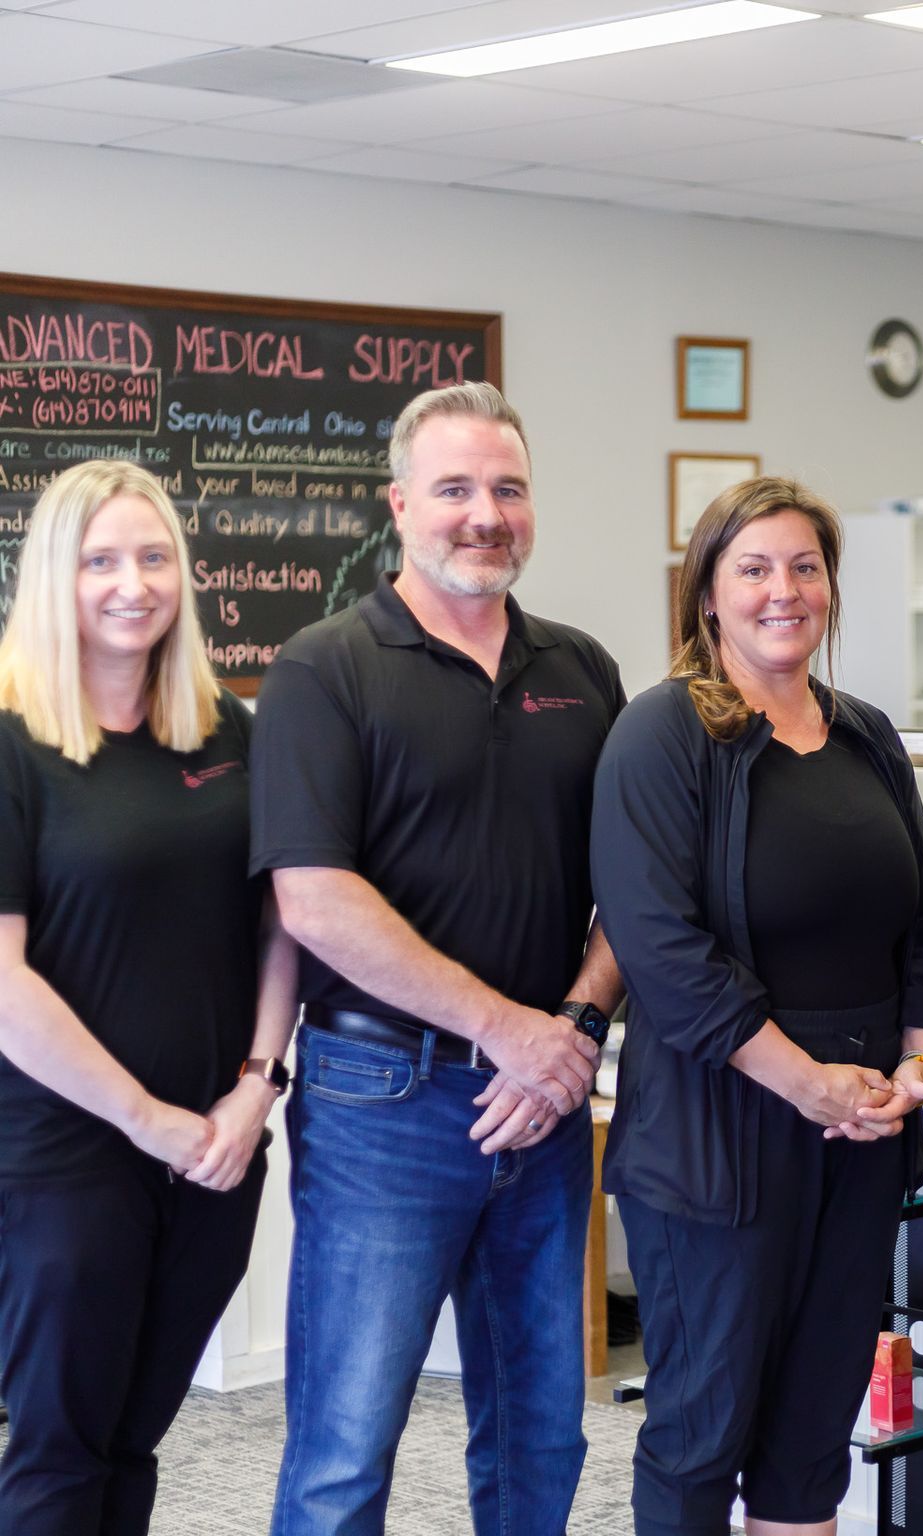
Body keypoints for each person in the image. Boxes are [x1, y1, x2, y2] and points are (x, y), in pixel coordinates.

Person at [251, 382, 625, 1536]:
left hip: (546, 1101)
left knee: (541, 1434)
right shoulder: (325, 668)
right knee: (346, 1447)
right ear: (401, 504)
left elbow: (638, 889)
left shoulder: (582, 671)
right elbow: (314, 899)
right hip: (383, 1100)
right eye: (455, 488)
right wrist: (510, 1032)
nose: (486, 514)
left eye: (509, 489)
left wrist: (573, 1029)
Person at [591, 476, 923, 1536]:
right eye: (753, 569)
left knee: (811, 1443)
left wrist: (920, 1067)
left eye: (805, 567)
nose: (783, 591)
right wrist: (808, 1085)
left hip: (862, 1135)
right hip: (720, 1135)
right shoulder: (661, 735)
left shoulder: (867, 736)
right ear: (707, 593)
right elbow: (661, 951)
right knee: (702, 1437)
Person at [0, 460, 296, 1536]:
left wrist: (257, 1087)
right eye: (101, 561)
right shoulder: (12, 744)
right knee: (60, 1451)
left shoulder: (230, 732)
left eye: (155, 557)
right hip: (66, 1154)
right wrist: (147, 1120)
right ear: (55, 578)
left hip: (218, 1146)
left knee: (134, 1438)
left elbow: (281, 924)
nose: (134, 584)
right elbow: (2, 980)